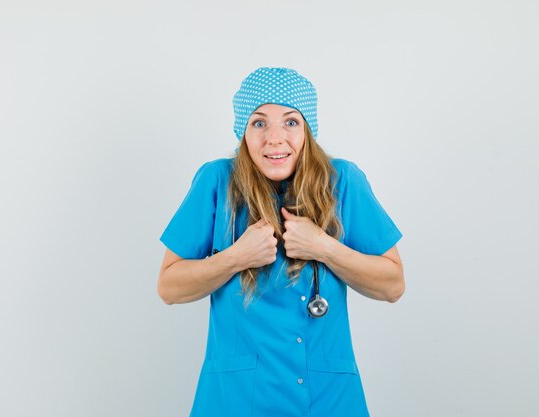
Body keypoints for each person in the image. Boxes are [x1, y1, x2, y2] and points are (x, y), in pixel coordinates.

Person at [157, 66, 405, 417]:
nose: (275, 138)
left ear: (308, 131)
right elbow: (169, 286)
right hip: (236, 400)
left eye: (290, 122)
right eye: (259, 123)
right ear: (243, 130)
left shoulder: (343, 181)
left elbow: (392, 285)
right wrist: (235, 257)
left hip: (327, 397)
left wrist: (325, 247)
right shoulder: (216, 181)